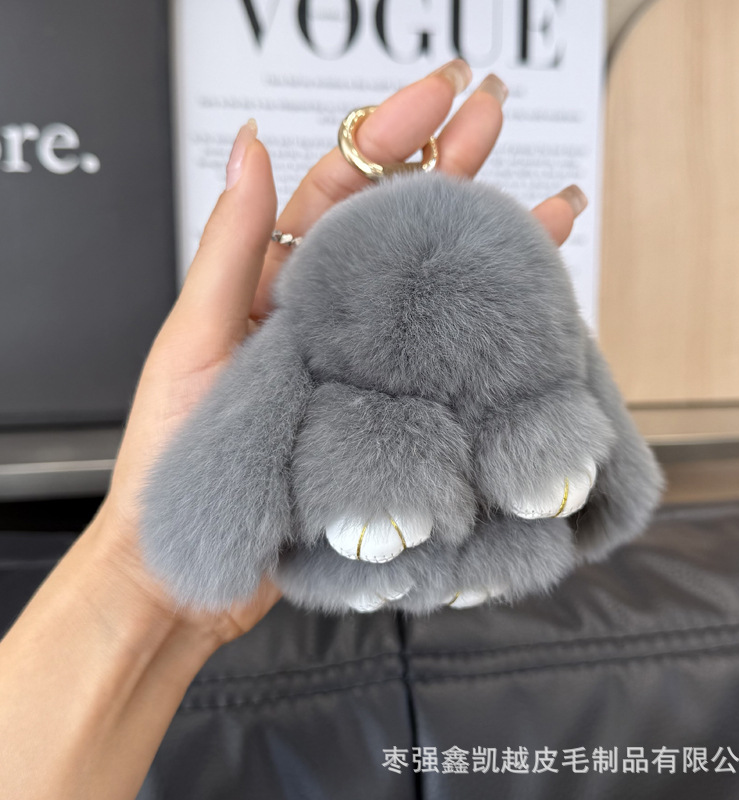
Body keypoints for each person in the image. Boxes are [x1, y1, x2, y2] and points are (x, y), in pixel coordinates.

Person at [0, 60, 586, 799]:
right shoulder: (303, 343)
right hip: (339, 480)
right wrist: (154, 569)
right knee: (372, 447)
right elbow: (262, 407)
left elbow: (563, 378)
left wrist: (153, 577)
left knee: (517, 443)